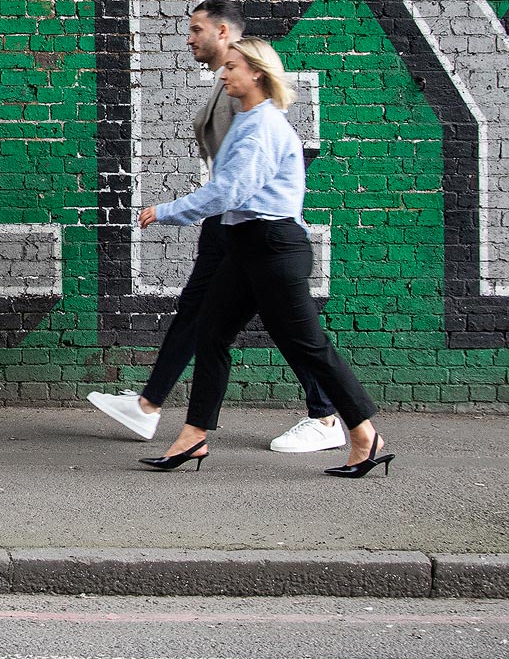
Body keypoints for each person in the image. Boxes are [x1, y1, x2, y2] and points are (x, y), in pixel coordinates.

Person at [88, 0, 345, 454]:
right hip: (231, 222)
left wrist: (172, 210)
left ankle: (327, 416)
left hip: (247, 225)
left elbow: (236, 182)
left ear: (224, 34)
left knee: (281, 322)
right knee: (205, 319)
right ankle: (154, 410)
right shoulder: (227, 88)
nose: (189, 39)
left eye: (196, 30)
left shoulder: (245, 101)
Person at [132, 38, 392, 478]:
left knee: (309, 347)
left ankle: (365, 436)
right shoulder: (249, 121)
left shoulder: (262, 127)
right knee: (212, 333)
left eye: (231, 67)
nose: (223, 74)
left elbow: (231, 191)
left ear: (256, 72)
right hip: (246, 245)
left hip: (273, 247)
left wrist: (168, 211)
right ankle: (194, 437)